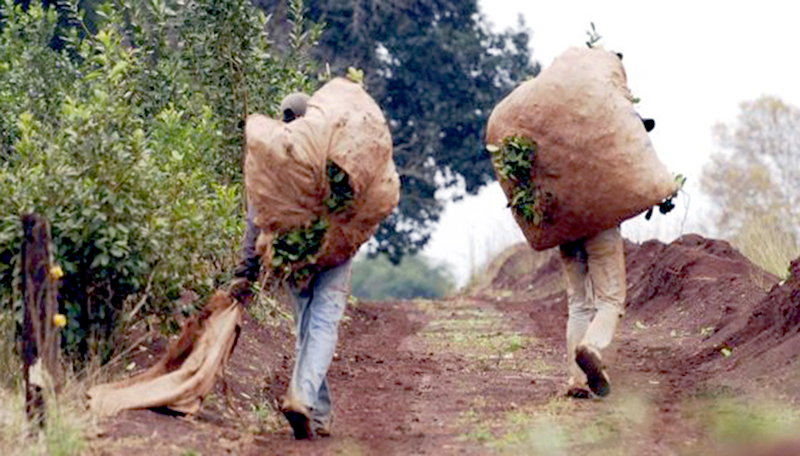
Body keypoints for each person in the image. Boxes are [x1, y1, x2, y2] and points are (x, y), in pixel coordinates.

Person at [229, 92, 352, 439]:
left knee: (305, 331)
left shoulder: (272, 157)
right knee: (322, 325)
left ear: (283, 118)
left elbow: (256, 217)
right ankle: (304, 399)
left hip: (292, 256)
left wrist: (246, 270)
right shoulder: (334, 151)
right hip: (334, 255)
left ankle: (317, 412)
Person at [561, 114, 654, 399]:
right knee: (610, 301)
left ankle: (578, 381)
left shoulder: (559, 143)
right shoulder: (612, 143)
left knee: (578, 305)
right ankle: (590, 346)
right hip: (600, 226)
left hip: (565, 225)